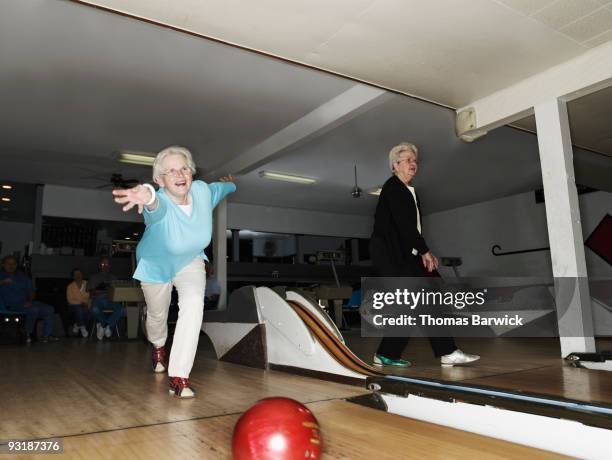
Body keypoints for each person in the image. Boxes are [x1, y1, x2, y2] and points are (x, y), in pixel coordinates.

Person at [112, 145, 236, 398]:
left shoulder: (202, 191)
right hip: (155, 265)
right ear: (159, 180)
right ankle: (158, 346)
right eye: (170, 171)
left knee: (193, 307)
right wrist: (146, 194)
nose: (179, 175)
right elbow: (154, 205)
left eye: (184, 168)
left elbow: (221, 189)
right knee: (157, 316)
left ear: (191, 172)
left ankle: (179, 376)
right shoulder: (161, 203)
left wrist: (231, 184)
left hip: (190, 260)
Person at [370, 142, 479, 367]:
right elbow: (404, 226)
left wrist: (419, 252)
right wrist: (424, 250)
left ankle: (389, 353)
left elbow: (410, 229)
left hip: (406, 258)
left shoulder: (408, 191)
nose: (413, 164)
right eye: (408, 160)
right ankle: (443, 352)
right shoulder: (394, 188)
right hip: (393, 259)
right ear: (395, 166)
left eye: (415, 160)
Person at [0, 255, 59, 343]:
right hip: (10, 305)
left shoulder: (22, 276)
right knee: (34, 310)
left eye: (13, 264)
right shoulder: (1, 275)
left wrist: (30, 301)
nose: (11, 266)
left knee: (49, 309)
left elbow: (31, 291)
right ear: (3, 265)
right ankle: (27, 334)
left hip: (25, 303)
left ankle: (47, 335)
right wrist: (2, 282)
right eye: (8, 264)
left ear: (17, 265)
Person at [88, 257, 123, 340]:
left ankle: (105, 325)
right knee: (94, 309)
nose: (105, 266)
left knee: (121, 309)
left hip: (111, 300)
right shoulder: (94, 277)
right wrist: (104, 290)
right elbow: (92, 292)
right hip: (98, 300)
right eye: (103, 264)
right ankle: (105, 325)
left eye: (107, 264)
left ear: (109, 266)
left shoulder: (113, 278)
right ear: (99, 266)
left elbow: (117, 291)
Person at [66, 268, 90, 338]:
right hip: (73, 306)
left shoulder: (88, 284)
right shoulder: (70, 286)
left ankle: (77, 324)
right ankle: (82, 327)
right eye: (76, 274)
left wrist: (86, 303)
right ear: (73, 277)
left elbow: (91, 297)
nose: (78, 275)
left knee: (88, 311)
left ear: (82, 275)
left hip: (86, 305)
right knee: (79, 309)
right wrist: (81, 303)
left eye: (79, 274)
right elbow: (70, 300)